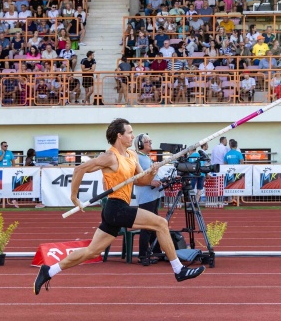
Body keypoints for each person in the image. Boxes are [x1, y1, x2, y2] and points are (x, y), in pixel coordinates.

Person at [34, 119, 205, 295]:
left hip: (117, 209)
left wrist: (152, 171)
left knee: (92, 251)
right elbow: (80, 169)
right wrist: (73, 196)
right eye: (129, 132)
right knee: (160, 223)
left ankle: (49, 270)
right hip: (115, 208)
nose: (132, 135)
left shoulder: (132, 156)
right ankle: (178, 269)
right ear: (119, 136)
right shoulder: (110, 157)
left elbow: (141, 181)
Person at [133, 133, 163, 266]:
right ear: (140, 144)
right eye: (147, 141)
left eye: (150, 141)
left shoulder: (146, 157)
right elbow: (135, 179)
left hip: (152, 196)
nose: (150, 143)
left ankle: (156, 251)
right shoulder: (138, 158)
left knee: (155, 224)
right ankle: (143, 255)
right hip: (146, 197)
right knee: (146, 226)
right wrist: (150, 183)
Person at [0, 141, 18, 207]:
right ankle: (1, 200)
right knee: (1, 185)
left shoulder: (10, 152)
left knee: (9, 185)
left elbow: (13, 161)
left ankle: (11, 200)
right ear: (1, 146)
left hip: (8, 171)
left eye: (7, 146)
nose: (6, 147)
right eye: (5, 146)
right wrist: (3, 153)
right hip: (0, 172)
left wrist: (13, 169)